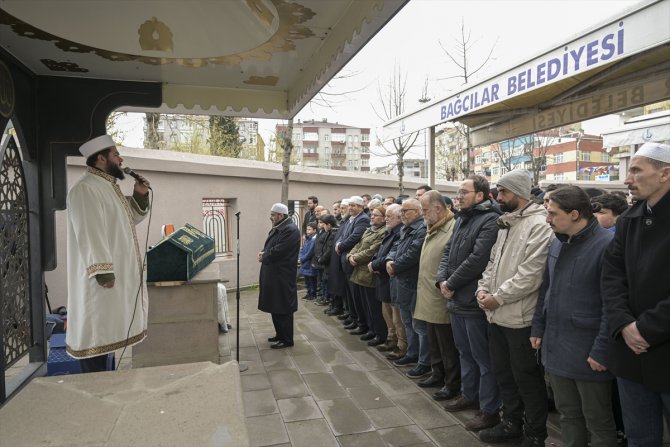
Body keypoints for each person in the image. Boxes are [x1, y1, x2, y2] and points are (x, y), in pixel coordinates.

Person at [531, 186, 617, 447]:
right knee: (568, 414)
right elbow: (547, 287)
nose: (547, 220)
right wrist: (538, 327)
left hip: (588, 350)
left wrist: (602, 349)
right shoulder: (557, 241)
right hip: (557, 345)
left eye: (553, 214)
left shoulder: (607, 245)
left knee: (598, 421)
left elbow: (613, 305)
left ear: (576, 214)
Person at [476, 170, 554, 446]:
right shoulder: (507, 223)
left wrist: (498, 297)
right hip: (496, 315)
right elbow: (492, 264)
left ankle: (535, 434)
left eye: (503, 192)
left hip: (520, 318)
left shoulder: (539, 225)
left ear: (519, 193)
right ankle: (511, 424)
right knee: (504, 375)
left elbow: (531, 274)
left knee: (527, 380)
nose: (498, 197)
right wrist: (483, 290)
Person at [601, 142, 670, 447]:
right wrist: (624, 325)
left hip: (662, 348)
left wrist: (644, 329)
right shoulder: (630, 218)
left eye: (636, 170)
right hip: (630, 352)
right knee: (639, 437)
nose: (627, 179)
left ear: (664, 173)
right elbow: (611, 276)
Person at [66, 135, 151, 372]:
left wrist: (140, 194)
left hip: (112, 286)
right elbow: (90, 234)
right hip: (100, 285)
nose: (121, 159)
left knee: (107, 342)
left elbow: (128, 219)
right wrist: (104, 273)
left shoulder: (108, 187)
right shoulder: (85, 189)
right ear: (101, 159)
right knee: (97, 340)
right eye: (116, 155)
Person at [437, 175, 502, 432]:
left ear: (480, 195)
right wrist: (442, 279)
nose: (458, 196)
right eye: (458, 191)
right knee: (464, 352)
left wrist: (451, 283)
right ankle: (469, 393)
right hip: (455, 300)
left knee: (482, 357)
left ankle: (489, 409)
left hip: (472, 301)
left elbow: (478, 259)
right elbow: (447, 251)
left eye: (464, 192)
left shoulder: (489, 220)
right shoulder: (462, 219)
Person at [413, 191, 459, 390]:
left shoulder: (452, 228)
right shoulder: (432, 226)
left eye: (424, 210)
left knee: (446, 344)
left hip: (441, 296)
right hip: (428, 295)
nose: (422, 214)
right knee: (433, 341)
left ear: (438, 208)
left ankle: (451, 382)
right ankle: (437, 373)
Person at [386, 198, 426, 365]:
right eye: (401, 211)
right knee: (407, 322)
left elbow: (413, 253)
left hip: (412, 282)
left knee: (417, 325)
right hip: (402, 282)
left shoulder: (421, 229)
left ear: (417, 212)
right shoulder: (406, 228)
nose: (401, 214)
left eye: (405, 211)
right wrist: (389, 259)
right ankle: (412, 353)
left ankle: (422, 360)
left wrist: (395, 266)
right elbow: (396, 247)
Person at [258, 203, 301, 349]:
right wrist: (264, 252)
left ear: (280, 215)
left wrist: (265, 256)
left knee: (283, 308)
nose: (270, 217)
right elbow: (272, 246)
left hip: (282, 276)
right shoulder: (280, 227)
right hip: (274, 275)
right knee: (275, 305)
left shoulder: (290, 230)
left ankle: (287, 339)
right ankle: (280, 334)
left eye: (272, 215)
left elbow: (279, 250)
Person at [348, 205, 387, 345]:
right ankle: (369, 329)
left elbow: (371, 251)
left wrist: (355, 258)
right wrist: (350, 255)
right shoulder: (369, 230)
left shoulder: (383, 232)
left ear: (383, 218)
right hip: (358, 272)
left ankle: (378, 333)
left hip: (369, 274)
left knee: (373, 307)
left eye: (376, 215)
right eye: (372, 214)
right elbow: (357, 245)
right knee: (363, 305)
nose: (372, 217)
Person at [369, 204, 404, 354]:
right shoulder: (390, 231)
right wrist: (375, 261)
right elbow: (380, 251)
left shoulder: (399, 232)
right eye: (386, 216)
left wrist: (375, 264)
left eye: (389, 216)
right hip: (383, 278)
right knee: (387, 313)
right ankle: (391, 339)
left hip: (390, 277)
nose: (386, 219)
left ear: (398, 217)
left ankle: (399, 344)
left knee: (396, 317)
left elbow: (391, 254)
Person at [299, 222, 318, 301]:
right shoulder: (307, 238)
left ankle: (312, 294)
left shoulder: (314, 240)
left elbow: (310, 252)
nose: (307, 231)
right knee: (306, 280)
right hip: (305, 263)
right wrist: (300, 257)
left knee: (311, 280)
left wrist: (302, 259)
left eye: (309, 229)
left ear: (314, 230)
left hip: (310, 263)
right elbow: (302, 249)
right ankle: (308, 293)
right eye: (307, 229)